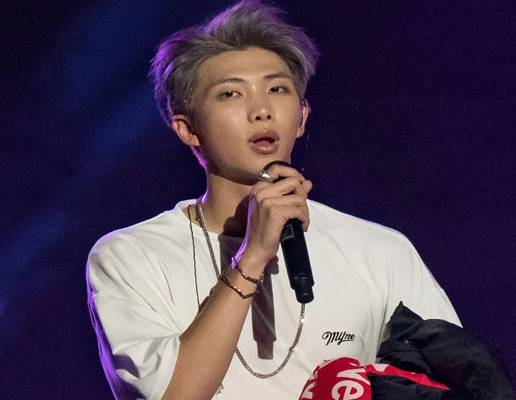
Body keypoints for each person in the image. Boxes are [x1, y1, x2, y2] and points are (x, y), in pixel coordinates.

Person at [86, 1, 460, 399]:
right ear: (188, 129)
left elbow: (456, 381)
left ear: (301, 117)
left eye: (277, 89)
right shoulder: (131, 256)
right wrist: (252, 255)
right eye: (231, 93)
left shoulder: (380, 251)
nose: (262, 110)